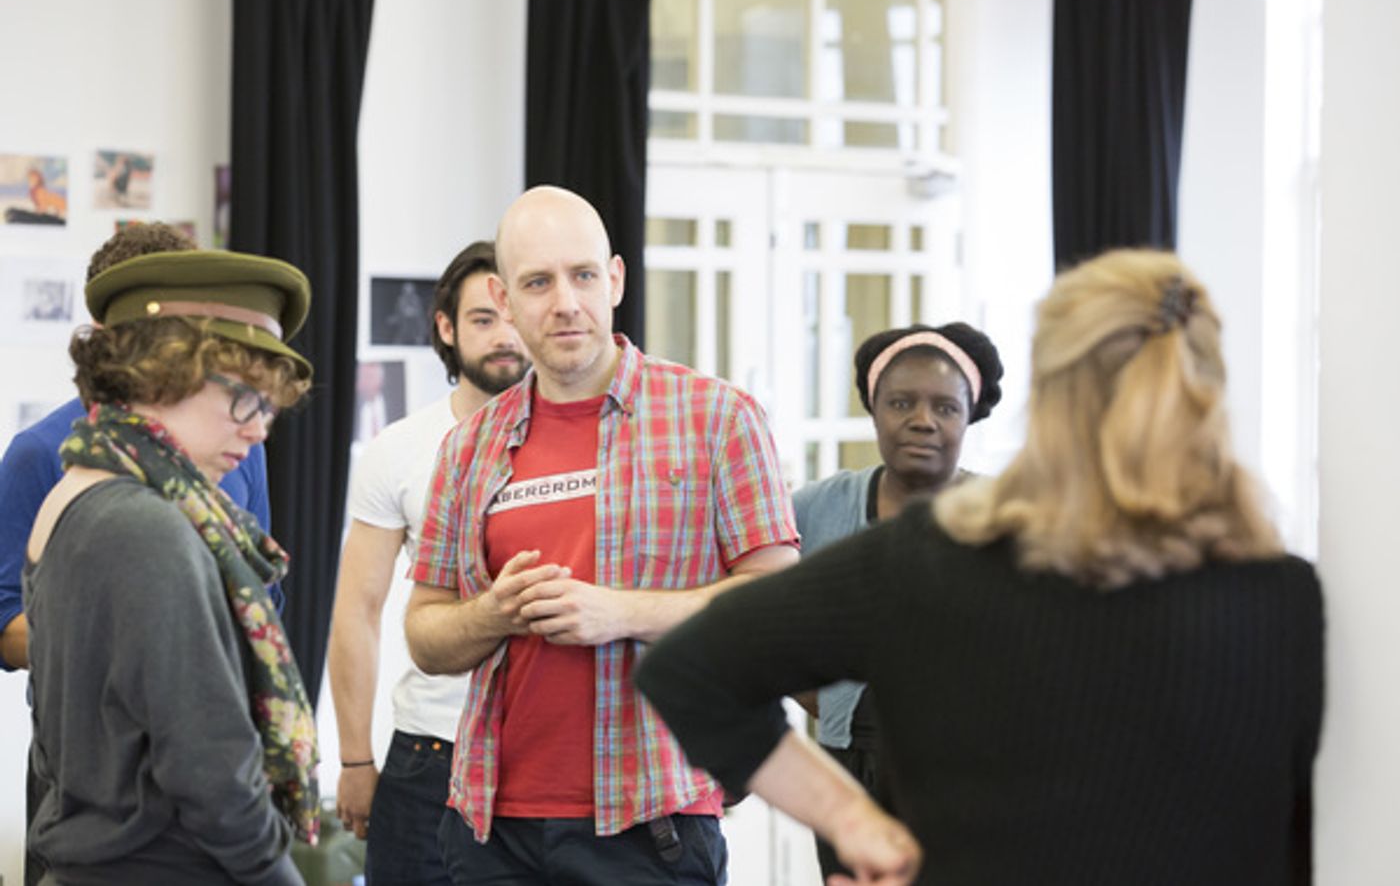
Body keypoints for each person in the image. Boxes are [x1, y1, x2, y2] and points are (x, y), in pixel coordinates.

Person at [637, 249, 1322, 886]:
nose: (922, 421)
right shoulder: (1286, 599)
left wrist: (853, 820)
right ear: (1208, 394)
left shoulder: (930, 563)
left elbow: (689, 666)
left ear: (1050, 398)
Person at [404, 186, 799, 885]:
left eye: (583, 275)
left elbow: (777, 605)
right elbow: (427, 635)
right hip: (489, 828)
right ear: (504, 296)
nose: (565, 301)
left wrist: (619, 612)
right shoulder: (468, 447)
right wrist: (492, 613)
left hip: (653, 825)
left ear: (614, 278)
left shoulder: (718, 418)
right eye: (537, 281)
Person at [24, 249, 320, 884]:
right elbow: (211, 768)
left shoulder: (78, 487)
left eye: (268, 406)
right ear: (163, 372)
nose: (260, 429)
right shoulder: (149, 526)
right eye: (245, 397)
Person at [327, 241, 528, 885]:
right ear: (445, 327)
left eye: (514, 314)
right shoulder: (401, 450)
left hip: (553, 751)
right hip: (432, 754)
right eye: (481, 319)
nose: (505, 336)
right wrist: (356, 760)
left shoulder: (596, 443)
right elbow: (357, 609)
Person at [793, 322, 1003, 880]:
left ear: (970, 415)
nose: (922, 420)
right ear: (874, 409)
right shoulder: (816, 508)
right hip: (847, 771)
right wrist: (821, 696)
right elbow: (748, 594)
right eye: (901, 402)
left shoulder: (1006, 516)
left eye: (945, 407)